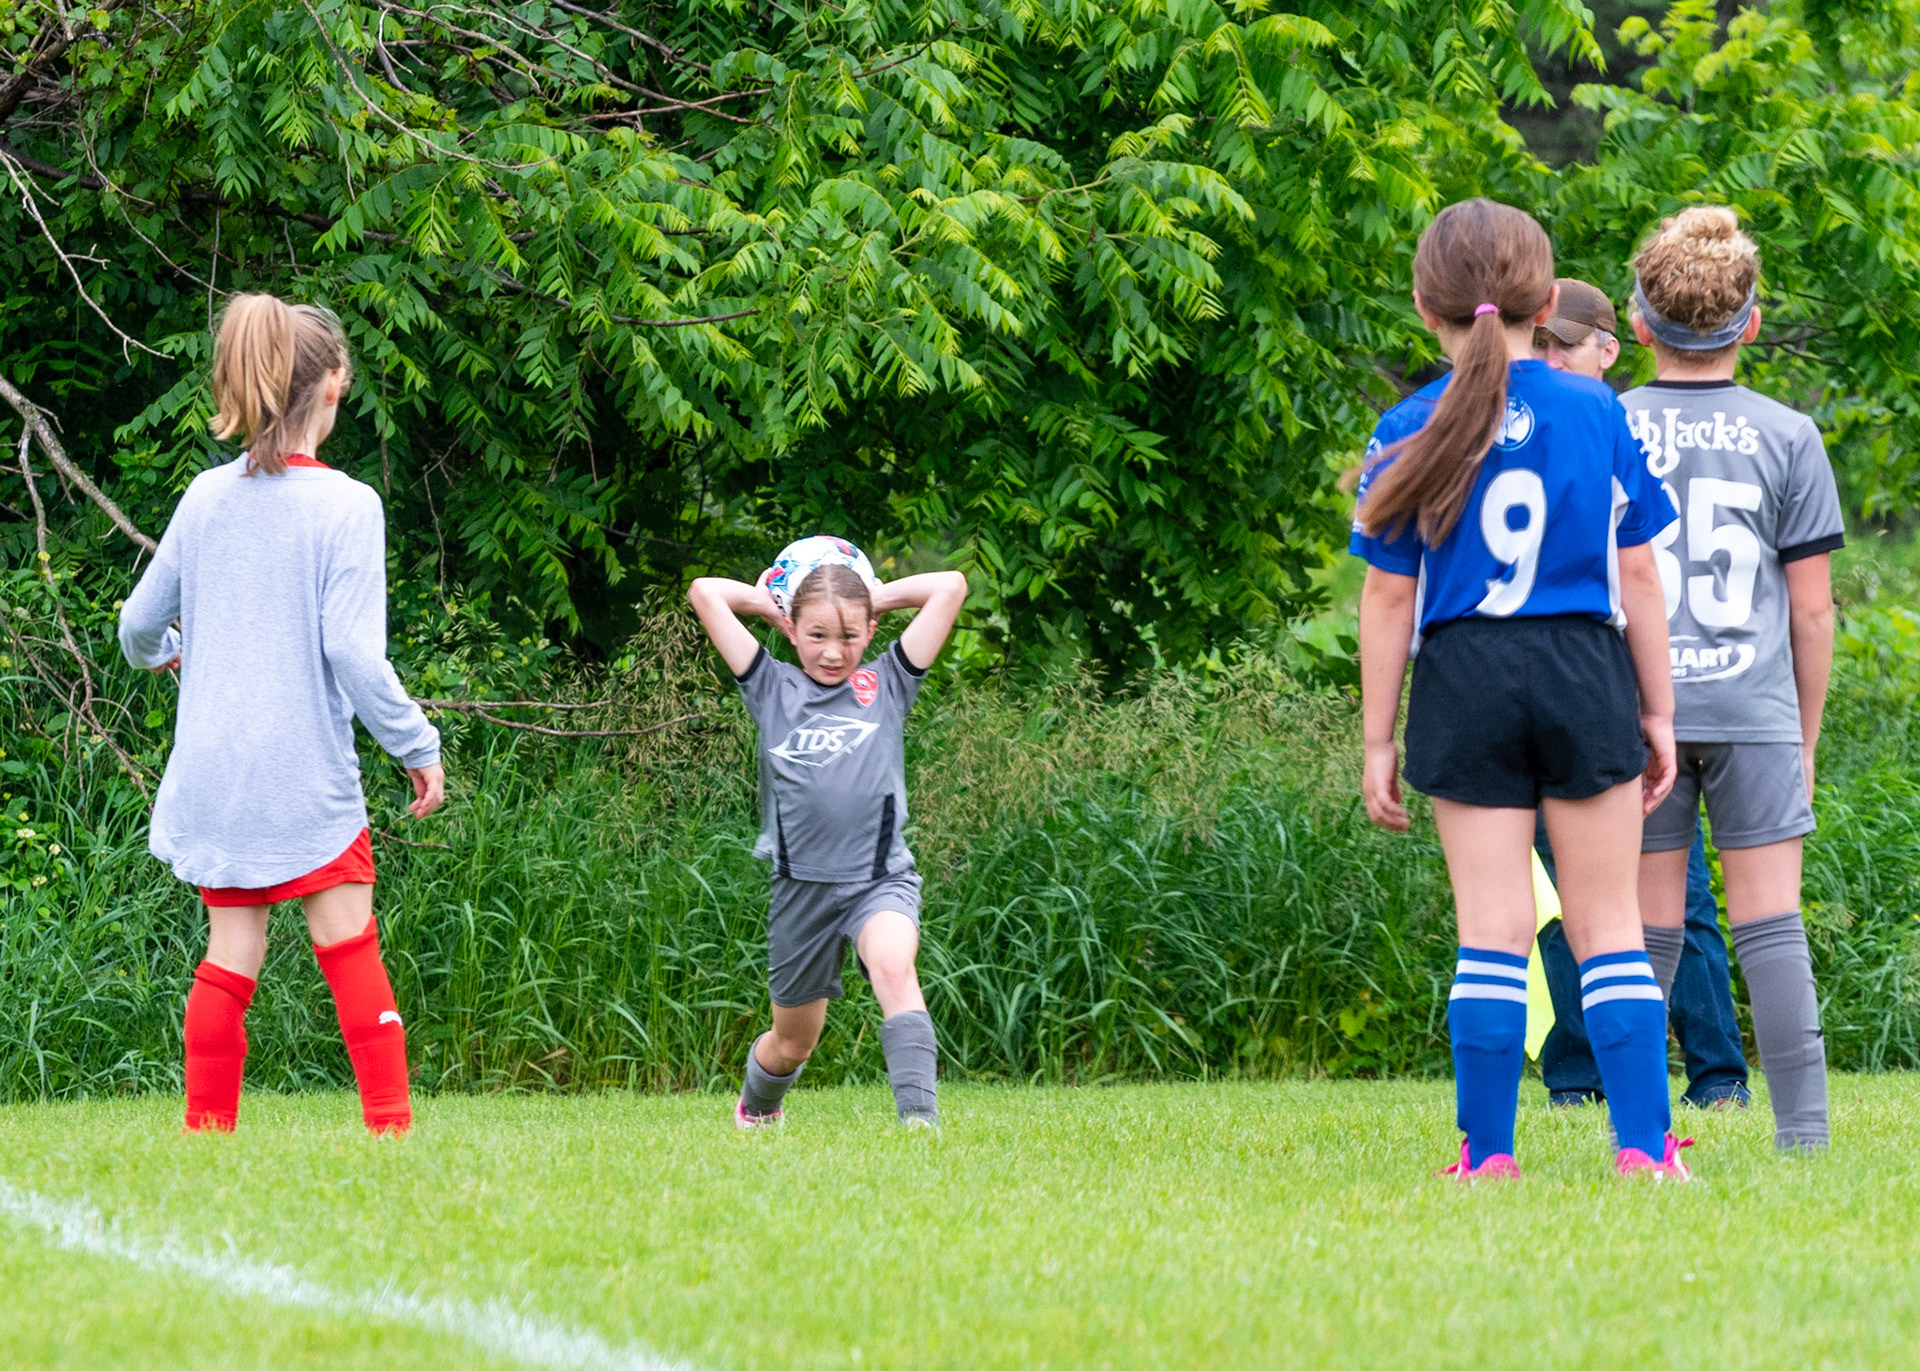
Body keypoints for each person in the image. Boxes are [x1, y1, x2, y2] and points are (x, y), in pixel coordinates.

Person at [1352, 198, 1687, 1180]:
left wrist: (1380, 741)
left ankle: (1489, 1156)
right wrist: (1658, 712)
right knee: (1610, 927)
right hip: (1584, 667)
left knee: (1490, 934)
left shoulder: (1405, 424)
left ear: (1426, 307)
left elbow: (1385, 596)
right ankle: (1646, 1152)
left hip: (1465, 674)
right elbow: (1638, 577)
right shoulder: (1598, 411)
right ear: (1547, 302)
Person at [118, 294, 446, 1135]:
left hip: (216, 777)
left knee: (230, 957)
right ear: (333, 385)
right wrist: (416, 741)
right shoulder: (348, 504)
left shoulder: (203, 497)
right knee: (349, 943)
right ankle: (390, 1127)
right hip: (305, 775)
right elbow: (353, 654)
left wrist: (169, 652)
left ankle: (206, 1132)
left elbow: (136, 628)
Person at [1623, 207, 1841, 1151]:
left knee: (1641, 935)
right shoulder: (1790, 434)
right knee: (1770, 925)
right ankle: (1804, 1134)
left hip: (1636, 715)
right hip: (1753, 707)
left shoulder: (1609, 419)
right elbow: (1812, 611)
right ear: (1750, 323)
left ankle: (1643, 1129)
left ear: (1638, 323)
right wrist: (1806, 734)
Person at [1531, 279, 1752, 1112]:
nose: (1549, 358)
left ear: (1610, 346)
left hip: (1654, 679)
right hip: (1563, 684)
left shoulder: (1631, 424)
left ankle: (1718, 1074)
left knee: (1678, 894)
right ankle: (1577, 1077)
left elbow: (1652, 575)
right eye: (1539, 343)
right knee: (1562, 899)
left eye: (1565, 344)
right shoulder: (1537, 431)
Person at [688, 552, 967, 1129]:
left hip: (879, 880)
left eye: (848, 635)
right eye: (816, 634)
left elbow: (951, 585)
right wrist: (771, 604)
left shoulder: (887, 681)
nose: (834, 651)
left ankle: (920, 1125)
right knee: (793, 1044)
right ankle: (758, 1107)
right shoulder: (769, 685)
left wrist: (871, 597)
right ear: (792, 631)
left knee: (894, 965)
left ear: (869, 630)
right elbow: (705, 591)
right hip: (801, 892)